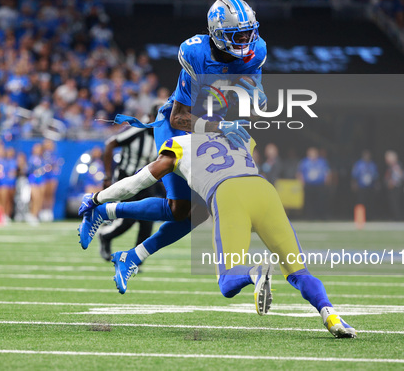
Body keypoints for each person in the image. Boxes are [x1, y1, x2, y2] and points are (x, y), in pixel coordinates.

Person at [79, 133, 356, 339]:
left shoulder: (177, 143)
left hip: (229, 195)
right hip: (264, 190)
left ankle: (254, 272)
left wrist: (98, 198)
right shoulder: (240, 133)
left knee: (226, 282)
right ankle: (331, 315)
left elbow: (138, 182)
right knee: (298, 271)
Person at [78, 0, 266, 267]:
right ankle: (99, 204)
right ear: (217, 34)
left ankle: (121, 238)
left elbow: (254, 104)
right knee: (171, 175)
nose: (247, 39)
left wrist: (257, 100)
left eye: (249, 32)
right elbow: (179, 118)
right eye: (238, 34)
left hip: (212, 128)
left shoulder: (256, 51)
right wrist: (221, 126)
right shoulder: (196, 54)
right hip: (177, 124)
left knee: (185, 212)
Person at [97, 105, 158, 261]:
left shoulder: (163, 133)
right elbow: (110, 143)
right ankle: (105, 235)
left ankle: (135, 259)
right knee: (127, 220)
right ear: (150, 117)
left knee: (148, 221)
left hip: (148, 181)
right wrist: (107, 176)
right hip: (128, 179)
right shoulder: (137, 130)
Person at [297, 147, 331, 220]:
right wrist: (301, 182)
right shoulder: (305, 162)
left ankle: (321, 216)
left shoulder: (322, 162)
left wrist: (327, 182)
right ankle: (310, 216)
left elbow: (327, 172)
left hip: (320, 185)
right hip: (309, 185)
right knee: (309, 202)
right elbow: (300, 173)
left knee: (321, 201)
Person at [351, 150, 378, 219]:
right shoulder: (359, 164)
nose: (367, 157)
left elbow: (376, 176)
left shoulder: (372, 165)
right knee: (360, 202)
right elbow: (354, 175)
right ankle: (360, 217)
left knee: (370, 202)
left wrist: (376, 184)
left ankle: (370, 216)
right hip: (361, 187)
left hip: (370, 187)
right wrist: (354, 184)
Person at [27, 143, 45, 224]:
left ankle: (37, 214)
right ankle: (32, 214)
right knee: (35, 198)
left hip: (41, 180)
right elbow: (28, 170)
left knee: (40, 199)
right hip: (33, 180)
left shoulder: (43, 159)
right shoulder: (31, 159)